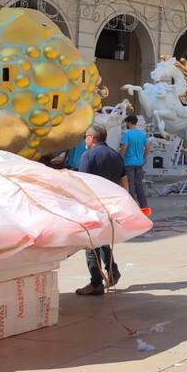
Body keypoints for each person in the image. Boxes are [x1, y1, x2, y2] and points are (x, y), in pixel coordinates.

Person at [76, 124, 127, 296]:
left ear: (91, 137)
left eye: (85, 137)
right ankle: (113, 271)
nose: (85, 140)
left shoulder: (88, 155)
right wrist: (124, 202)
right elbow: (124, 180)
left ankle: (96, 283)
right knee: (103, 239)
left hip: (93, 206)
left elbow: (83, 183)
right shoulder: (115, 155)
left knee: (91, 245)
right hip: (111, 206)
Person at [118, 115, 148, 208]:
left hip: (128, 163)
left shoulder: (127, 134)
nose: (126, 124)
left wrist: (120, 157)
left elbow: (124, 147)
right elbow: (147, 147)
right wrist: (144, 157)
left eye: (126, 122)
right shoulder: (141, 134)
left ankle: (132, 206)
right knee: (139, 185)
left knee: (130, 185)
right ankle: (144, 206)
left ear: (129, 123)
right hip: (139, 163)